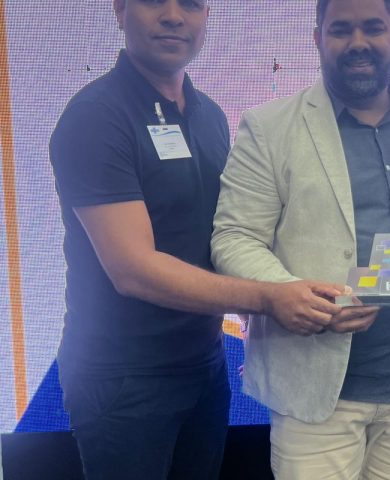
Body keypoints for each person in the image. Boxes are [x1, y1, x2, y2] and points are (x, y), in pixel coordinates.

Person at [49, 1, 343, 479]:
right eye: (154, 0)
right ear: (120, 11)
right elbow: (134, 270)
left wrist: (263, 328)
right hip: (124, 377)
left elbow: (222, 236)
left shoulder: (208, 115)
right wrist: (268, 298)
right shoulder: (96, 117)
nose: (173, 15)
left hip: (203, 365)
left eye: (190, 3)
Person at [211, 0, 390, 478]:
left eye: (373, 27)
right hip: (317, 392)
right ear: (318, 38)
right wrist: (287, 293)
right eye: (341, 29)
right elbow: (234, 236)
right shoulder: (269, 127)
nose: (358, 43)